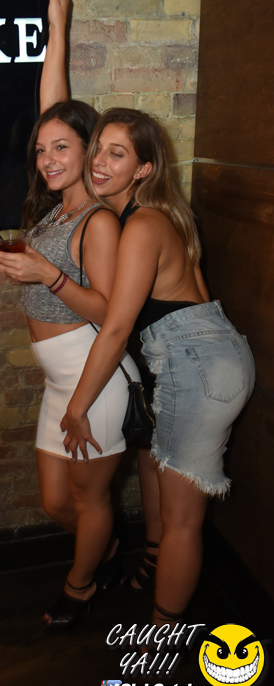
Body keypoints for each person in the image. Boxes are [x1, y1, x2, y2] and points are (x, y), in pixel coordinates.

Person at [61, 107, 255, 633]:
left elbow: (117, 329)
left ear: (143, 169)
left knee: (182, 521)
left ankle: (160, 640)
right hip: (207, 358)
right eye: (98, 149)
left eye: (117, 154)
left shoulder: (143, 223)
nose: (98, 162)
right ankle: (156, 582)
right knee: (169, 502)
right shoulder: (156, 214)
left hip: (199, 369)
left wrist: (77, 408)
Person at [0, 0, 141, 628]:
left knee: (88, 497)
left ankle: (81, 588)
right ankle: (101, 550)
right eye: (41, 149)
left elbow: (111, 313)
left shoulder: (99, 220)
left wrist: (46, 274)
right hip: (60, 382)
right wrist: (57, 29)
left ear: (88, 150)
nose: (48, 158)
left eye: (63, 147)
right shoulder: (57, 207)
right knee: (57, 502)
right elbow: (53, 108)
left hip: (95, 378)